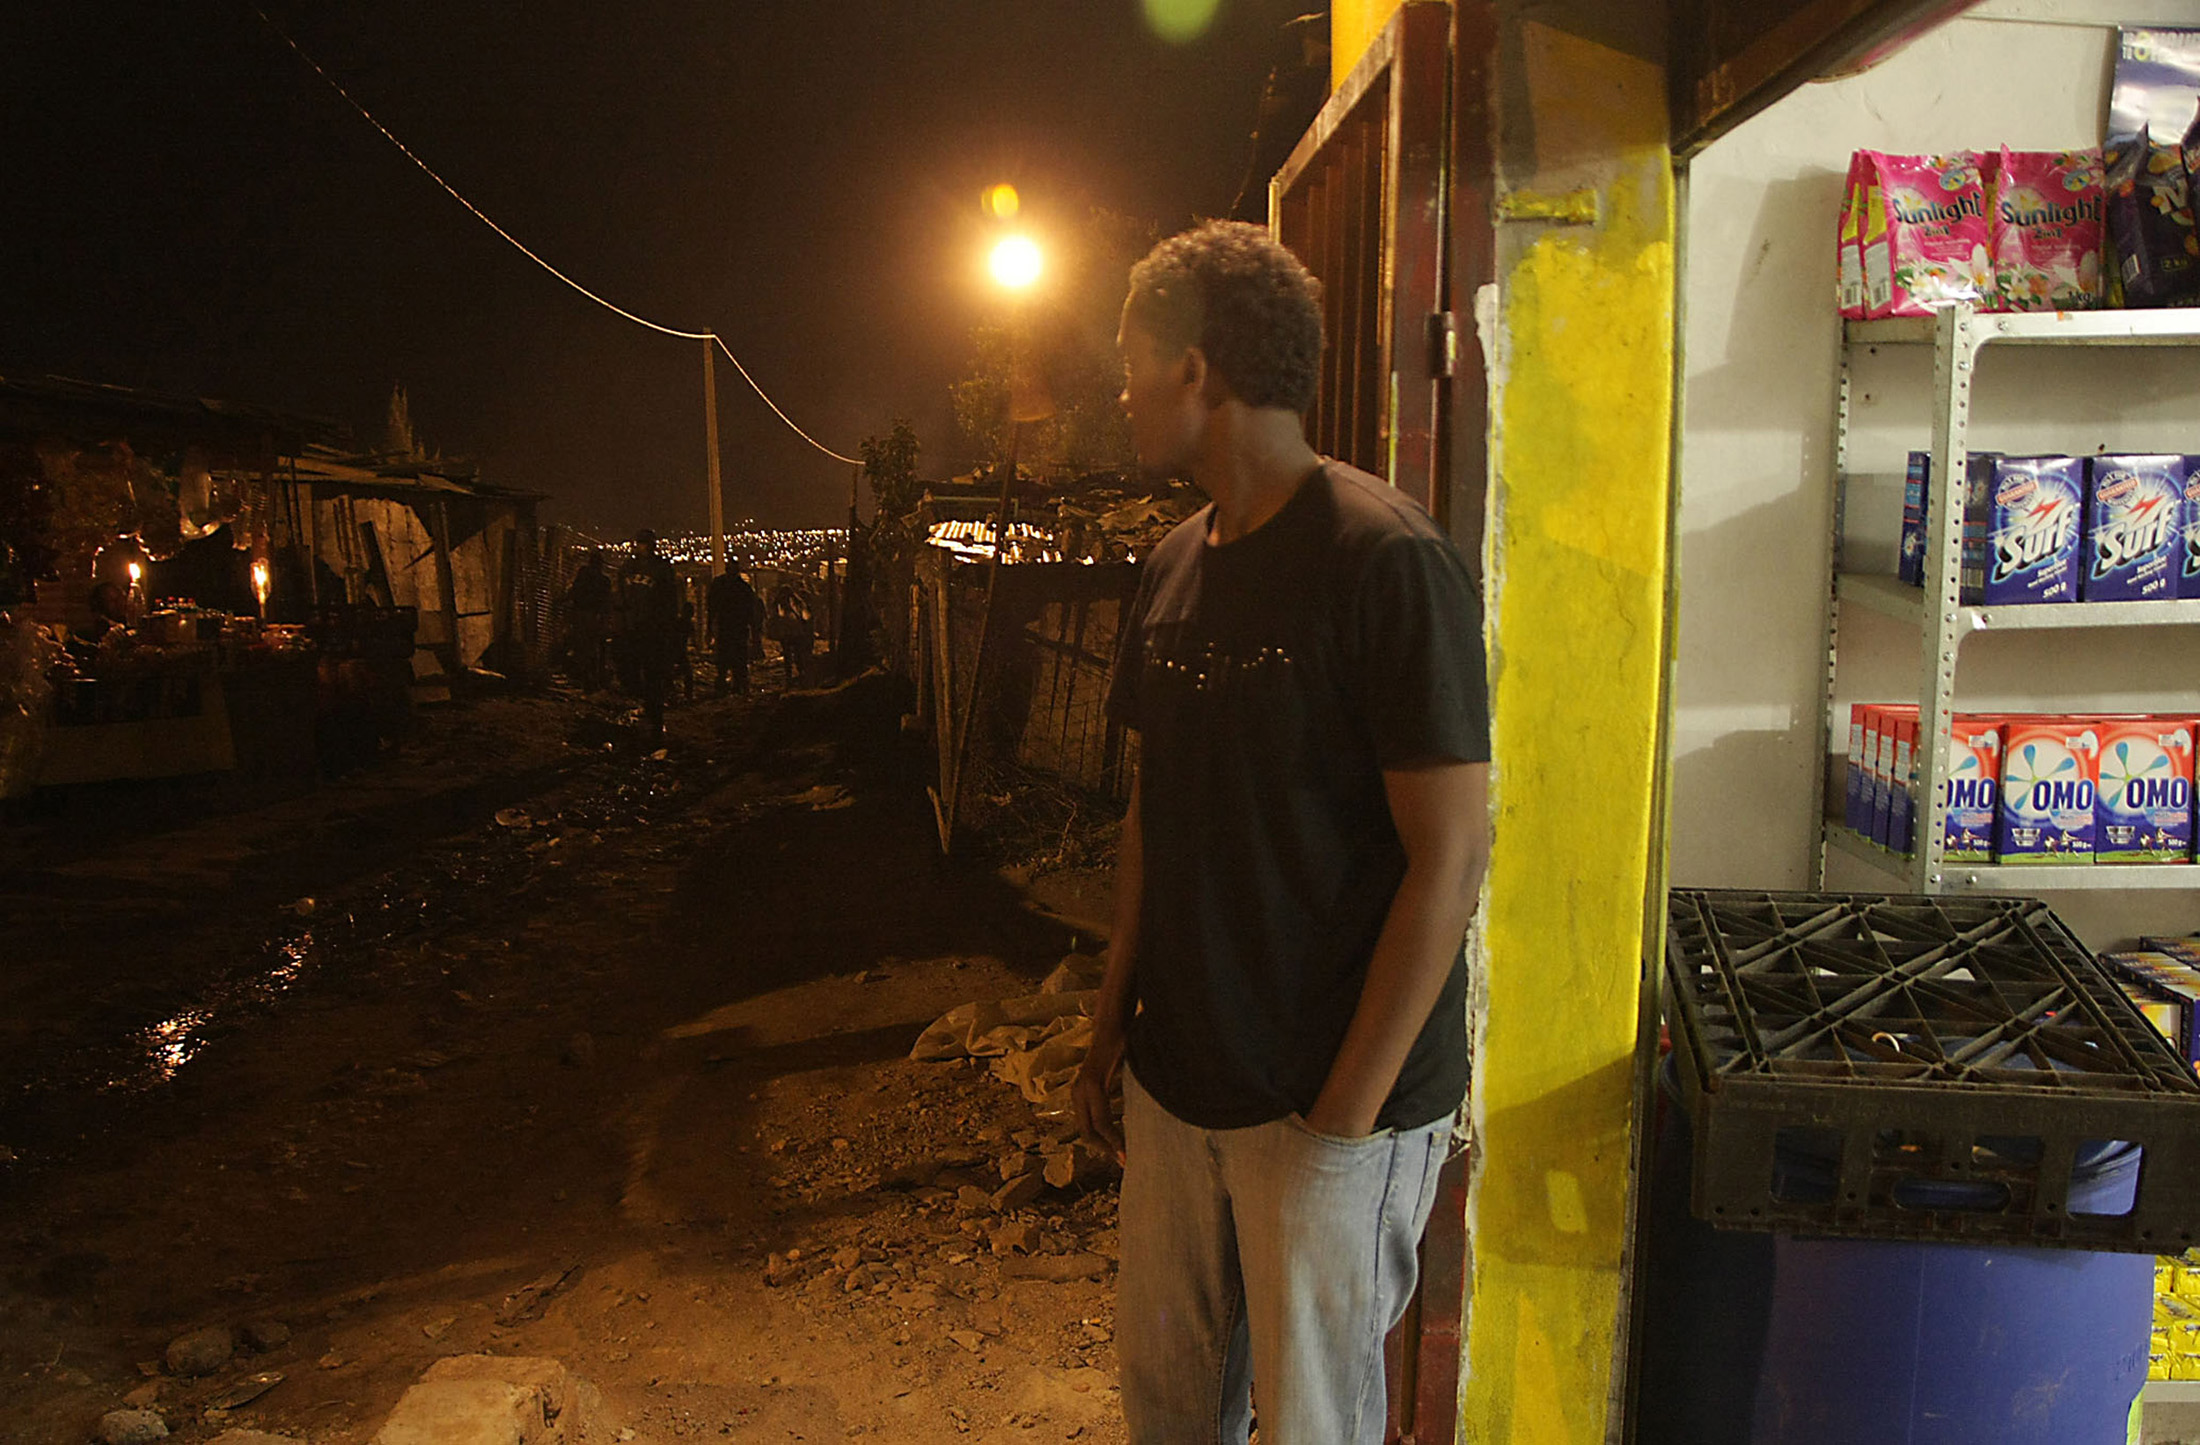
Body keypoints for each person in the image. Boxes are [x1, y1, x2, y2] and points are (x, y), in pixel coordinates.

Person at [1072, 221, 1491, 1445]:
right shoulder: (1169, 568)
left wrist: (1339, 1125)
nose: (1122, 390)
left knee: (1313, 1423)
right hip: (1180, 1085)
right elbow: (1156, 813)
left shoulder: (1383, 559)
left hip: (1322, 1106)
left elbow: (1450, 856)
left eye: (1132, 359)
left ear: (1195, 369)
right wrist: (1110, 1028)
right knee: (1168, 1406)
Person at [614, 530, 678, 745]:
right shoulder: (628, 568)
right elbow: (621, 595)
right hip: (632, 628)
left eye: (645, 543)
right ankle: (648, 707)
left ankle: (655, 717)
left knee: (653, 673)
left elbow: (670, 600)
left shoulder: (661, 568)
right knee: (630, 670)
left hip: (654, 629)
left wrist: (668, 625)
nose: (641, 547)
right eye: (639, 543)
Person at [706, 566, 761, 696]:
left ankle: (726, 685)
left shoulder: (721, 585)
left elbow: (711, 606)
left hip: (728, 626)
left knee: (726, 658)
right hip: (736, 627)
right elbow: (750, 610)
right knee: (737, 657)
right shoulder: (742, 587)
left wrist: (710, 626)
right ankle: (737, 684)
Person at [563, 550, 613, 690]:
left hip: (580, 615)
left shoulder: (583, 574)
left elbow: (575, 591)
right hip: (594, 617)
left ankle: (583, 676)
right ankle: (592, 678)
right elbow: (606, 601)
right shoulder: (604, 581)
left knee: (581, 646)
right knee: (592, 647)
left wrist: (563, 600)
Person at [767, 584, 812, 686]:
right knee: (797, 653)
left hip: (786, 633)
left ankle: (790, 675)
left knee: (788, 654)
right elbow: (806, 617)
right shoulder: (797, 602)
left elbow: (778, 616)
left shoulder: (780, 604)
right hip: (796, 631)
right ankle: (800, 673)